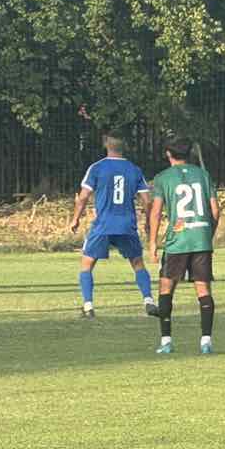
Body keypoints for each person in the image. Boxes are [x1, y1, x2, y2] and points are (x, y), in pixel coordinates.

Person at [69, 133, 157, 319]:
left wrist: (75, 218)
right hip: (126, 224)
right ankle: (148, 301)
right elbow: (147, 200)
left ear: (106, 145)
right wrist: (149, 221)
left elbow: (83, 197)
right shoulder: (134, 169)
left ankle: (88, 306)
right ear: (124, 146)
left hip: (103, 224)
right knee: (137, 263)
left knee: (87, 263)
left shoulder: (97, 168)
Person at [147, 137, 221, 355]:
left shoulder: (163, 178)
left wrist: (152, 242)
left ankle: (166, 341)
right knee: (203, 289)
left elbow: (156, 212)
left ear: (168, 154)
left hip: (177, 241)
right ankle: (206, 341)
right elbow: (215, 211)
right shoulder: (203, 174)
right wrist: (207, 234)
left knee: (166, 288)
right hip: (201, 239)